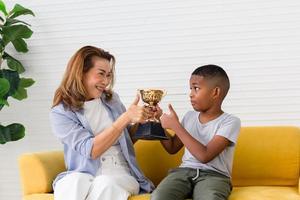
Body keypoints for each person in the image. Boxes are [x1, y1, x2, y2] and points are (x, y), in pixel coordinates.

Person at [50, 45, 154, 200]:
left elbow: (125, 139)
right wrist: (125, 118)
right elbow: (91, 150)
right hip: (85, 173)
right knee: (70, 182)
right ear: (81, 73)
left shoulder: (112, 100)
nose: (106, 81)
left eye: (109, 75)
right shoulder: (61, 112)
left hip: (120, 173)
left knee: (104, 183)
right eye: (101, 74)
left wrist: (143, 119)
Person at [151, 64, 241, 200]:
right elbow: (172, 147)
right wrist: (159, 121)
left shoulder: (230, 122)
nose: (191, 94)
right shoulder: (189, 116)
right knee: (158, 197)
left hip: (214, 176)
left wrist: (176, 126)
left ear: (215, 92)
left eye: (196, 88)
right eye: (190, 89)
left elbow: (205, 156)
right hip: (182, 173)